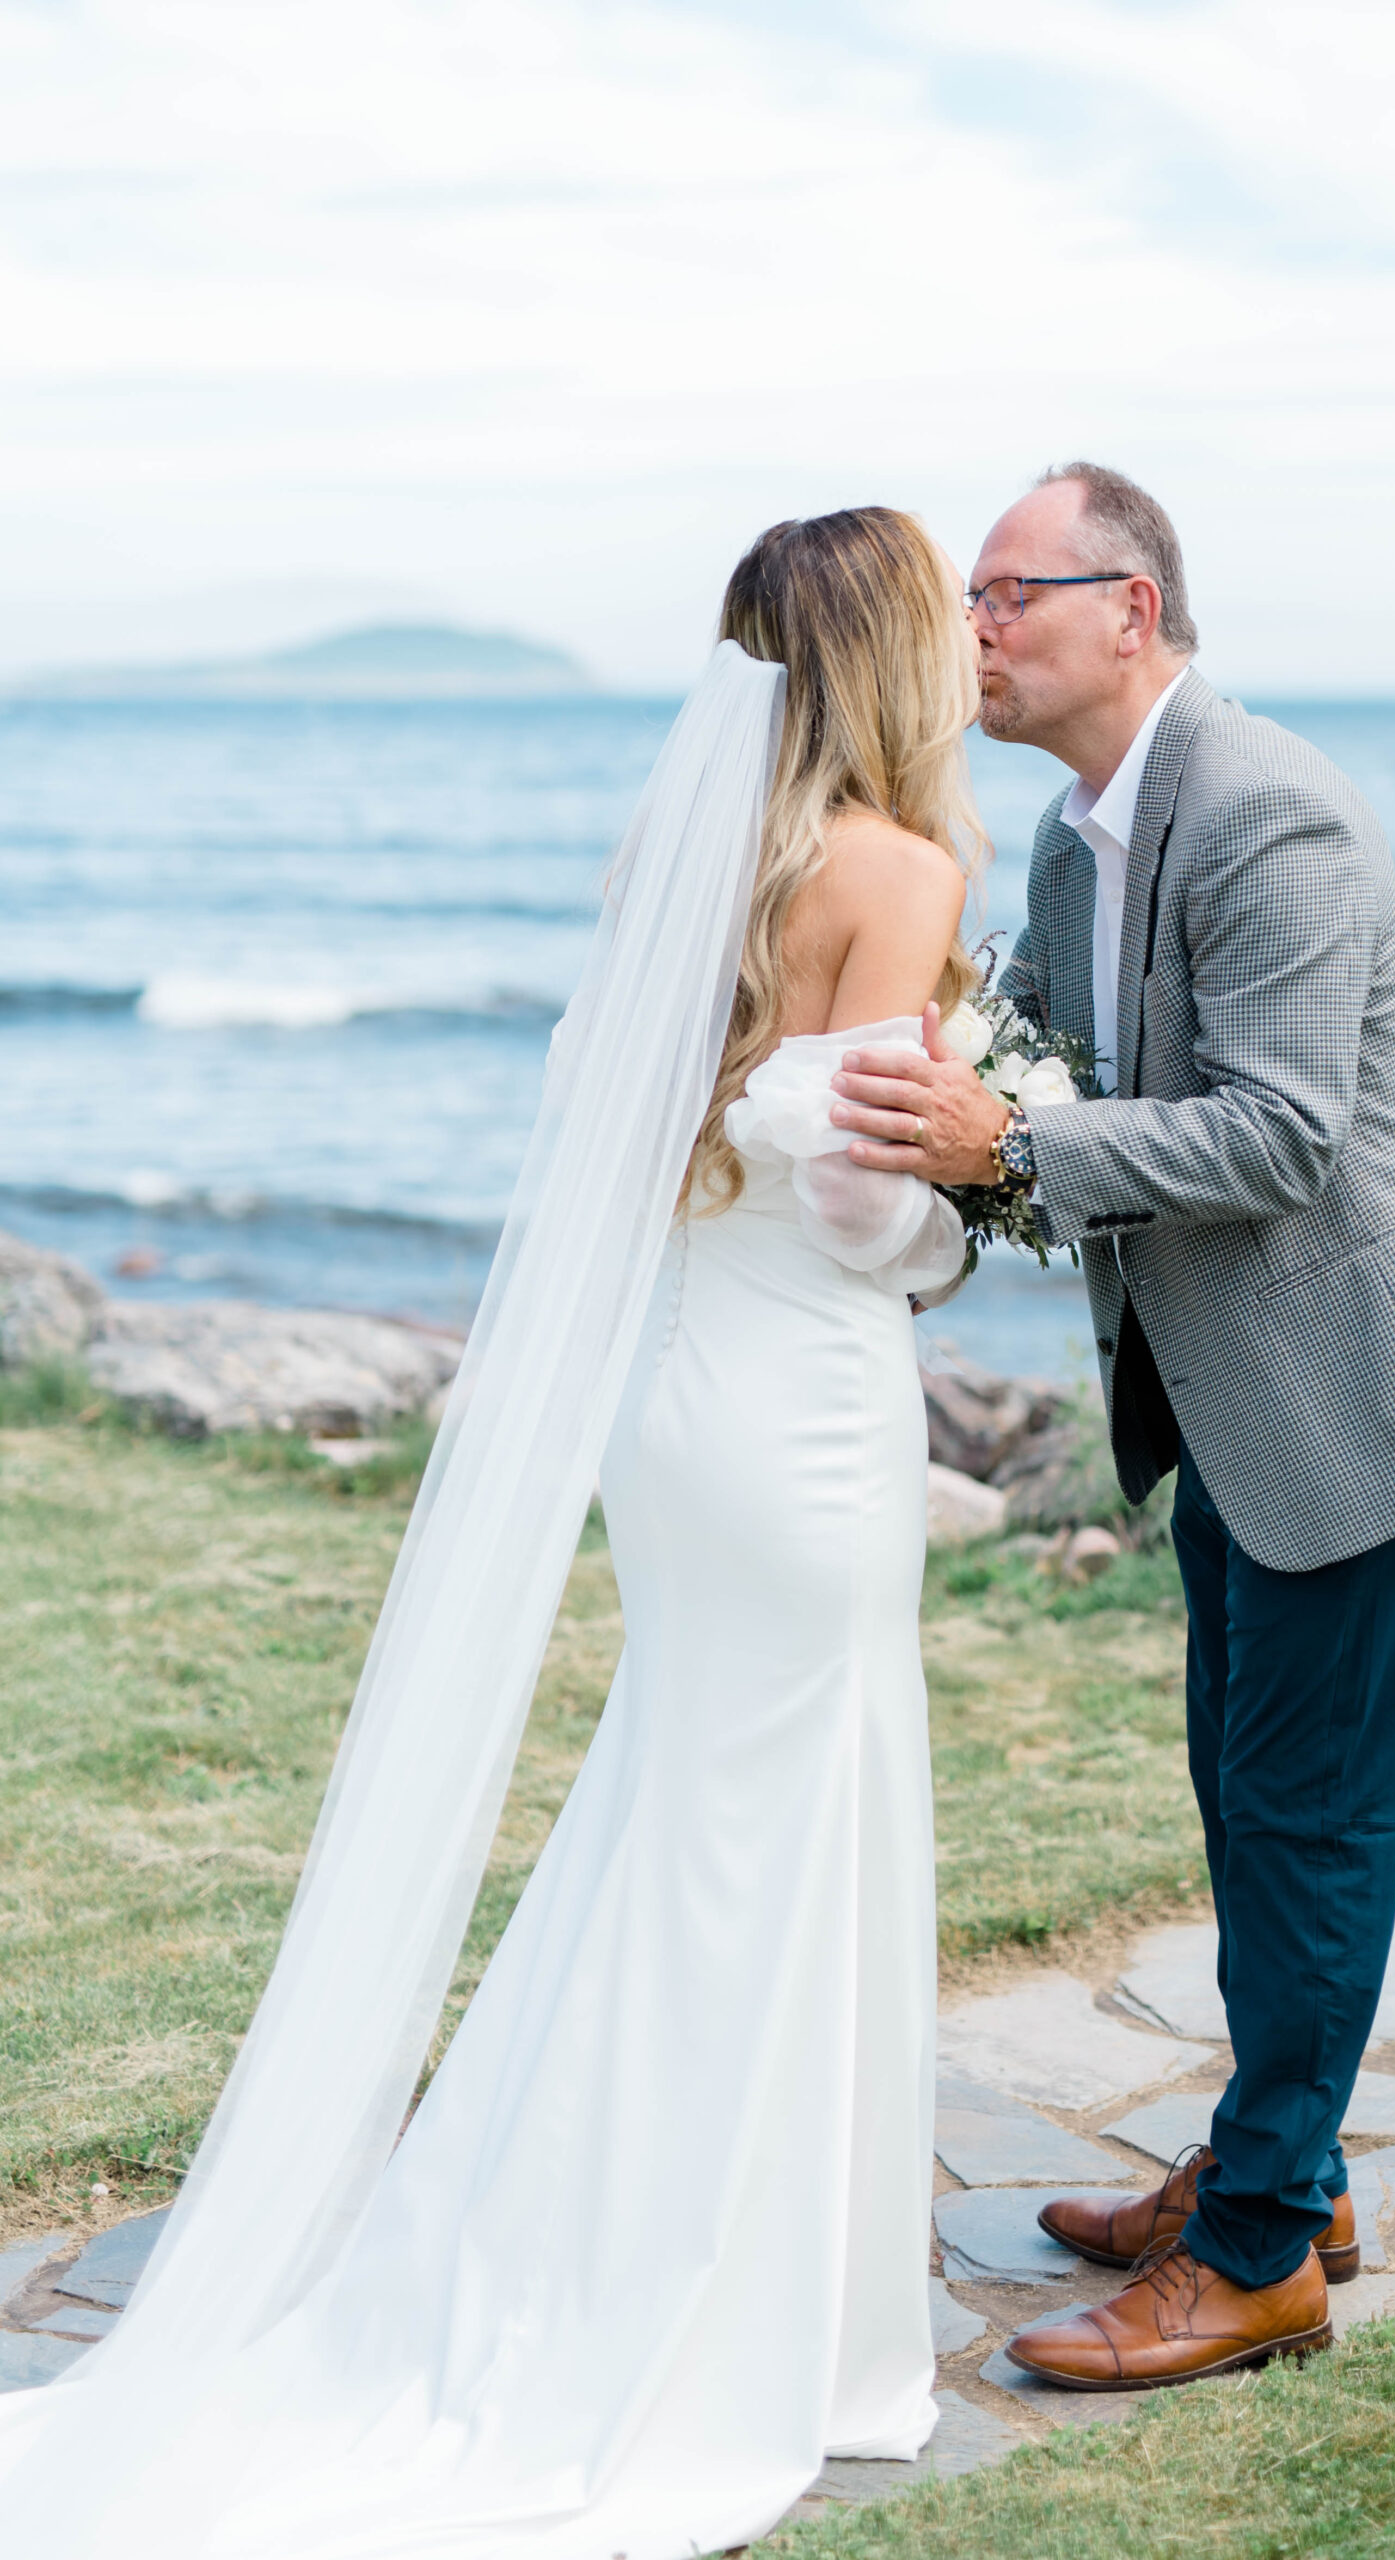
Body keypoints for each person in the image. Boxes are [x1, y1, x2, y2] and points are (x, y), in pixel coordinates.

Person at [0, 509, 982, 2556]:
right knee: (787, 1828)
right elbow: (866, 1207)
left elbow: (673, 1154)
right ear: (901, 655)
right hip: (802, 1414)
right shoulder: (903, 875)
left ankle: (648, 2249)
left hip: (677, 1411)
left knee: (682, 1816)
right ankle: (751, 2320)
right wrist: (980, 1185)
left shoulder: (677, 867)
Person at [830, 461, 1395, 2387]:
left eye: (1007, 597)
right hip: (1224, 1409)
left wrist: (1015, 1144)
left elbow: (1283, 1127)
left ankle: (1254, 2267)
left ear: (1129, 608)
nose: (974, 631)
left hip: (1364, 1394)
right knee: (1248, 1804)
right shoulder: (1073, 840)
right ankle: (1280, 2167)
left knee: (1310, 1827)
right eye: (970, 605)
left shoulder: (1274, 810)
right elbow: (1039, 1084)